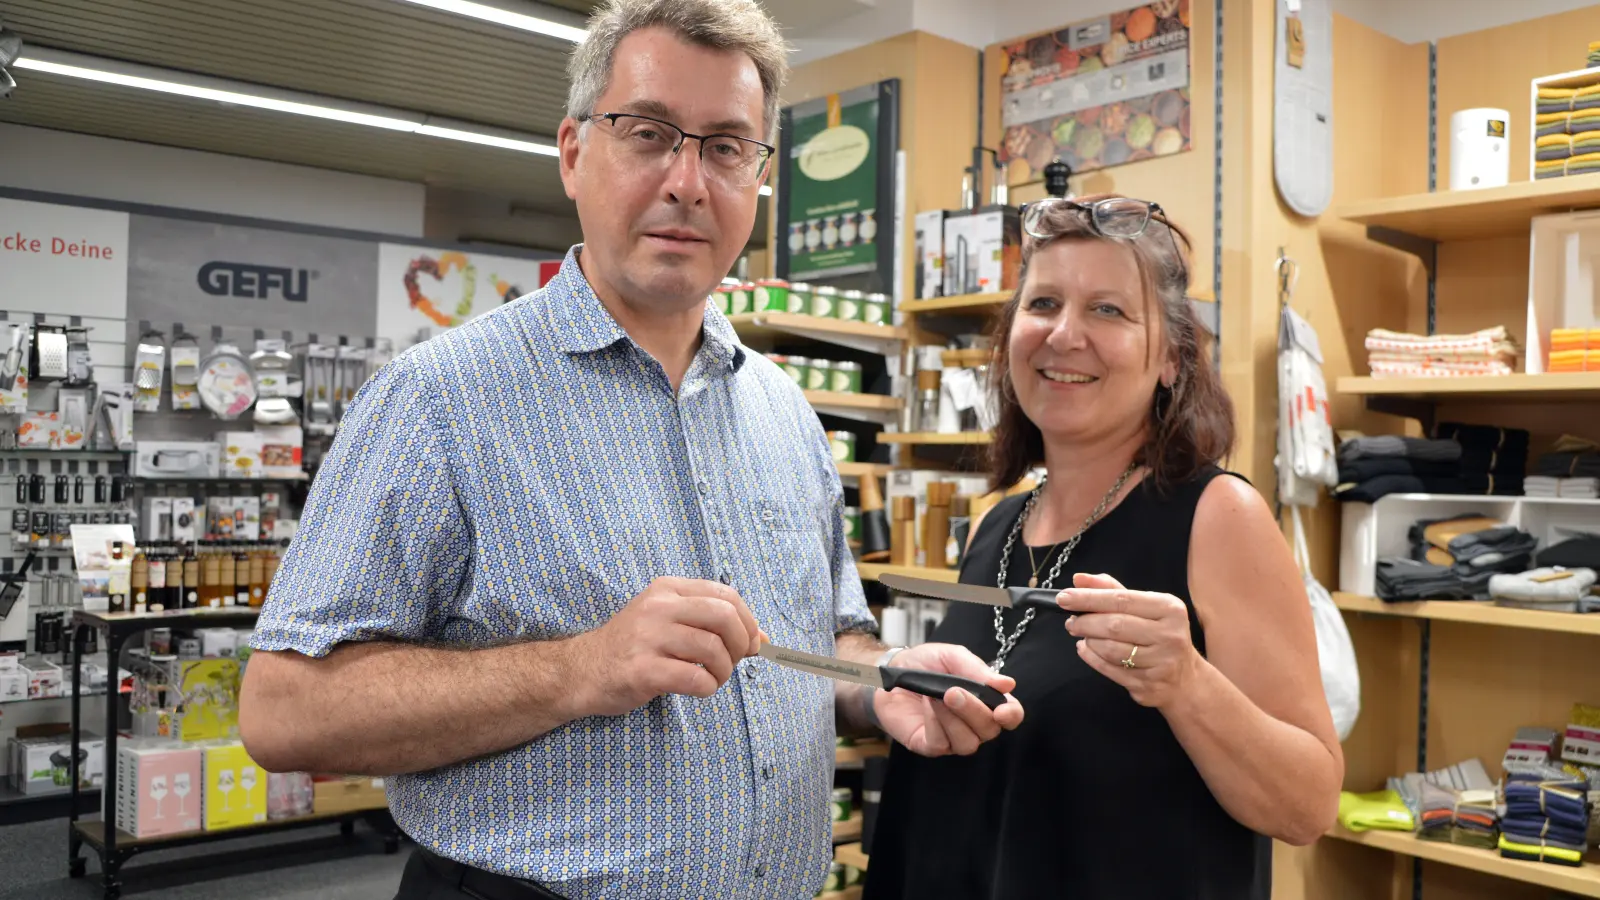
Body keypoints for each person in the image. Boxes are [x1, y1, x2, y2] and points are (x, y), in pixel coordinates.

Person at [235, 1, 1022, 898]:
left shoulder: (784, 414)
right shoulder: (438, 401)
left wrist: (884, 682)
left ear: (759, 178)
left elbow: (828, 635)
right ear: (574, 154)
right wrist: (584, 666)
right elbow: (283, 710)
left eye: (727, 147)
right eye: (649, 133)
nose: (689, 180)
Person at [861, 195, 1345, 900]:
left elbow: (1308, 805)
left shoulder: (1218, 518)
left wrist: (1187, 684)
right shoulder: (997, 528)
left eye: (1109, 311)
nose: (1064, 334)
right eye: (1044, 303)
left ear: (1173, 359)